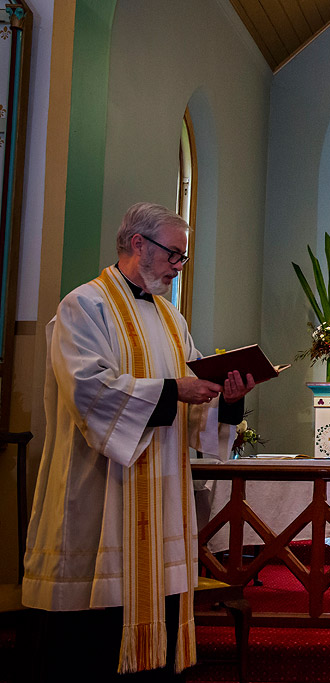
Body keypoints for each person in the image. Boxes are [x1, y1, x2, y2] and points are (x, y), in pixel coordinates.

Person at [21, 203, 255, 681]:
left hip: (161, 495)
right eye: (174, 255)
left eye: (183, 258)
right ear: (138, 245)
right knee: (92, 647)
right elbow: (88, 389)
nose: (177, 266)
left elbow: (195, 401)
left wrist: (226, 398)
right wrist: (175, 390)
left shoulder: (172, 319)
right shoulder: (84, 306)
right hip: (100, 494)